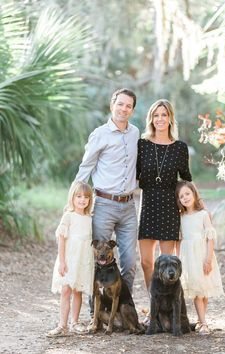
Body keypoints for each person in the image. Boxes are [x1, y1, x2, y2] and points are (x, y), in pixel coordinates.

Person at [73, 88, 139, 293]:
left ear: (132, 110)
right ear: (112, 105)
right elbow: (85, 167)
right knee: (98, 260)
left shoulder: (135, 133)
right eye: (120, 104)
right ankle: (97, 314)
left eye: (128, 106)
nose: (123, 109)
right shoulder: (99, 134)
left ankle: (123, 310)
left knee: (129, 263)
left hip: (129, 207)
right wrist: (73, 200)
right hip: (104, 205)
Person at [137, 99, 192, 297]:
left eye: (164, 115)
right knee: (146, 262)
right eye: (156, 115)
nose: (160, 119)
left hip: (169, 207)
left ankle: (167, 310)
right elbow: (133, 174)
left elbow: (186, 179)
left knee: (167, 261)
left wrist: (195, 207)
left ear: (170, 118)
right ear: (151, 118)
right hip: (148, 206)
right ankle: (154, 306)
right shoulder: (142, 145)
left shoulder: (180, 148)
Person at [176, 180, 224, 335]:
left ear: (194, 194)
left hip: (203, 256)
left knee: (204, 290)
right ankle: (203, 323)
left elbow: (210, 238)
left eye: (187, 194)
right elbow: (179, 241)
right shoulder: (181, 217)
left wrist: (208, 259)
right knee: (197, 291)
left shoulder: (203, 215)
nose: (185, 198)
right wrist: (178, 259)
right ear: (179, 200)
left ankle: (200, 319)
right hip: (189, 258)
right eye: (181, 196)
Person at [46, 182, 94, 337]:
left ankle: (75, 322)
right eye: (78, 196)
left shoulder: (89, 218)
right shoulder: (68, 216)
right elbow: (61, 239)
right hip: (68, 259)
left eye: (86, 197)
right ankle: (62, 325)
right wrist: (62, 261)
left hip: (82, 261)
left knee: (78, 291)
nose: (82, 200)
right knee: (66, 290)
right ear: (72, 197)